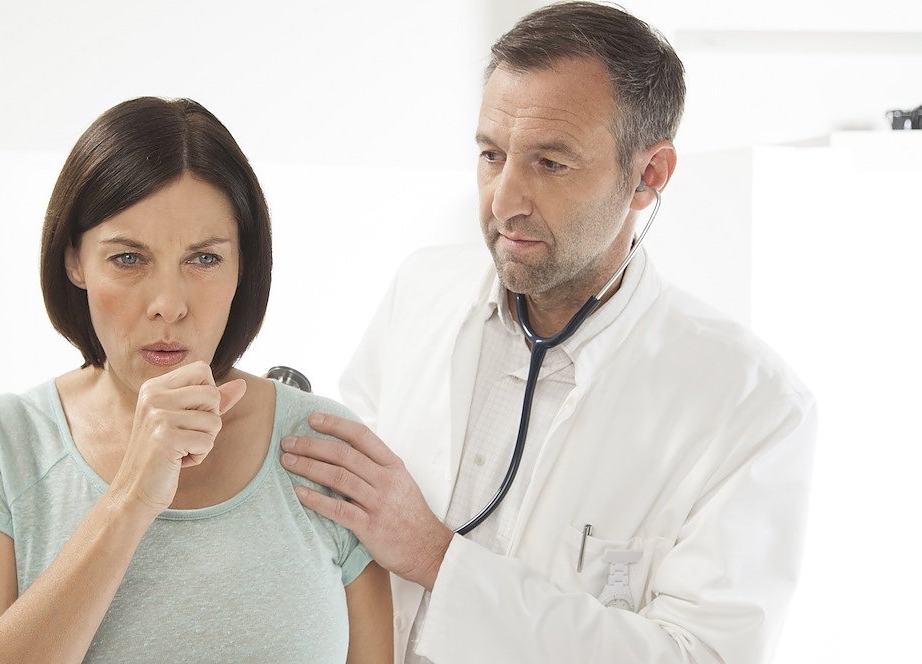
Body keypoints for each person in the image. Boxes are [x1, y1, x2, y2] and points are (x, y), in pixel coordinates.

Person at [279, 3, 816, 663]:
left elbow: (701, 654)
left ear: (648, 176)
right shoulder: (421, 290)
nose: (504, 200)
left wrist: (437, 560)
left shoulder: (751, 404)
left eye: (551, 163)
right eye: (491, 154)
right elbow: (338, 527)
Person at [0, 97, 392, 664]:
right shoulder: (4, 442)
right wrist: (132, 497)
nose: (168, 303)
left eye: (204, 259)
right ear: (74, 261)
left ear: (244, 265)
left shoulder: (325, 448)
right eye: (128, 259)